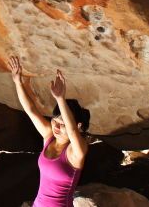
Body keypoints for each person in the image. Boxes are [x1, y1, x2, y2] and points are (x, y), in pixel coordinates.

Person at [9, 56, 90, 207]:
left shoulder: (76, 151)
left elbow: (72, 132)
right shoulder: (49, 137)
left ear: (78, 126)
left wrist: (60, 99)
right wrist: (17, 83)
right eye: (55, 121)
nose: (56, 127)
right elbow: (31, 110)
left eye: (62, 124)